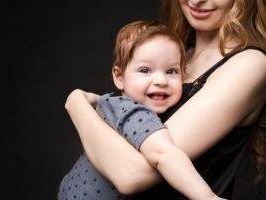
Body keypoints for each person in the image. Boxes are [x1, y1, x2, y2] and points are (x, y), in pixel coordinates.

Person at [65, 0, 266, 199]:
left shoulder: (250, 64)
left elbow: (131, 176)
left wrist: (77, 105)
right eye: (145, 71)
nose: (197, 1)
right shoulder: (173, 54)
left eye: (171, 72)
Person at [58, 20, 225, 200]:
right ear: (119, 77)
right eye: (145, 70)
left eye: (171, 71)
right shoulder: (134, 112)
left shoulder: (110, 102)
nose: (161, 80)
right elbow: (163, 154)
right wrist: (208, 197)